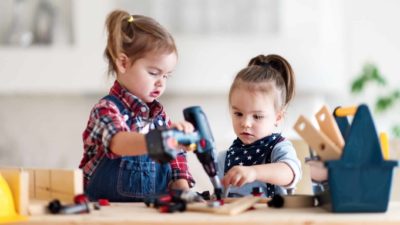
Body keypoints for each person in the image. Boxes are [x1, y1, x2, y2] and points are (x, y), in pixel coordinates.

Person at [79, 10, 195, 202]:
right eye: (153, 73)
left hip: (152, 213)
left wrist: (183, 190)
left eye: (166, 76)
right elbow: (119, 142)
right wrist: (163, 140)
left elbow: (176, 162)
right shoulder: (106, 110)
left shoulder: (159, 117)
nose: (161, 83)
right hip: (105, 214)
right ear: (123, 63)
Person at [218, 54, 302, 197]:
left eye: (257, 116)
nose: (245, 123)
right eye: (238, 114)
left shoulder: (279, 148)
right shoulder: (224, 158)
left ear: (278, 117)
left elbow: (290, 173)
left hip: (271, 219)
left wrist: (254, 172)